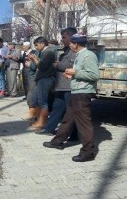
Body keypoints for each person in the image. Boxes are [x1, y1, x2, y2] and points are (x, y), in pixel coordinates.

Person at [43, 34, 100, 162]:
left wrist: (75, 73)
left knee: (84, 124)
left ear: (77, 44)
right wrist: (72, 76)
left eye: (72, 43)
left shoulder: (88, 55)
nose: (69, 44)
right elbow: (83, 73)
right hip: (77, 91)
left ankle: (88, 152)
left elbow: (95, 75)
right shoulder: (80, 55)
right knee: (68, 119)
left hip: (83, 93)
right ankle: (57, 142)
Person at [37, 27, 78, 135]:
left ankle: (74, 135)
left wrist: (57, 64)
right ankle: (49, 128)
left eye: (64, 37)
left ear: (71, 37)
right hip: (62, 85)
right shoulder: (67, 50)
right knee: (57, 108)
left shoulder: (75, 50)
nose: (62, 40)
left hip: (69, 86)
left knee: (71, 112)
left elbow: (72, 65)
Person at [27, 37, 56, 130]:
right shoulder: (44, 52)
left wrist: (34, 59)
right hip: (41, 79)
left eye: (36, 45)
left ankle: (43, 122)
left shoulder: (49, 52)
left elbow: (42, 67)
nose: (35, 47)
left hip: (45, 79)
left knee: (43, 102)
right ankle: (39, 120)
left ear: (42, 43)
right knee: (35, 100)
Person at [20, 42, 40, 120]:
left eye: (37, 45)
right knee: (28, 89)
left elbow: (37, 64)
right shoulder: (26, 53)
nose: (36, 47)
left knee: (32, 93)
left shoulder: (35, 52)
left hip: (33, 73)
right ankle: (33, 112)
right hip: (27, 71)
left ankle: (33, 113)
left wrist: (31, 62)